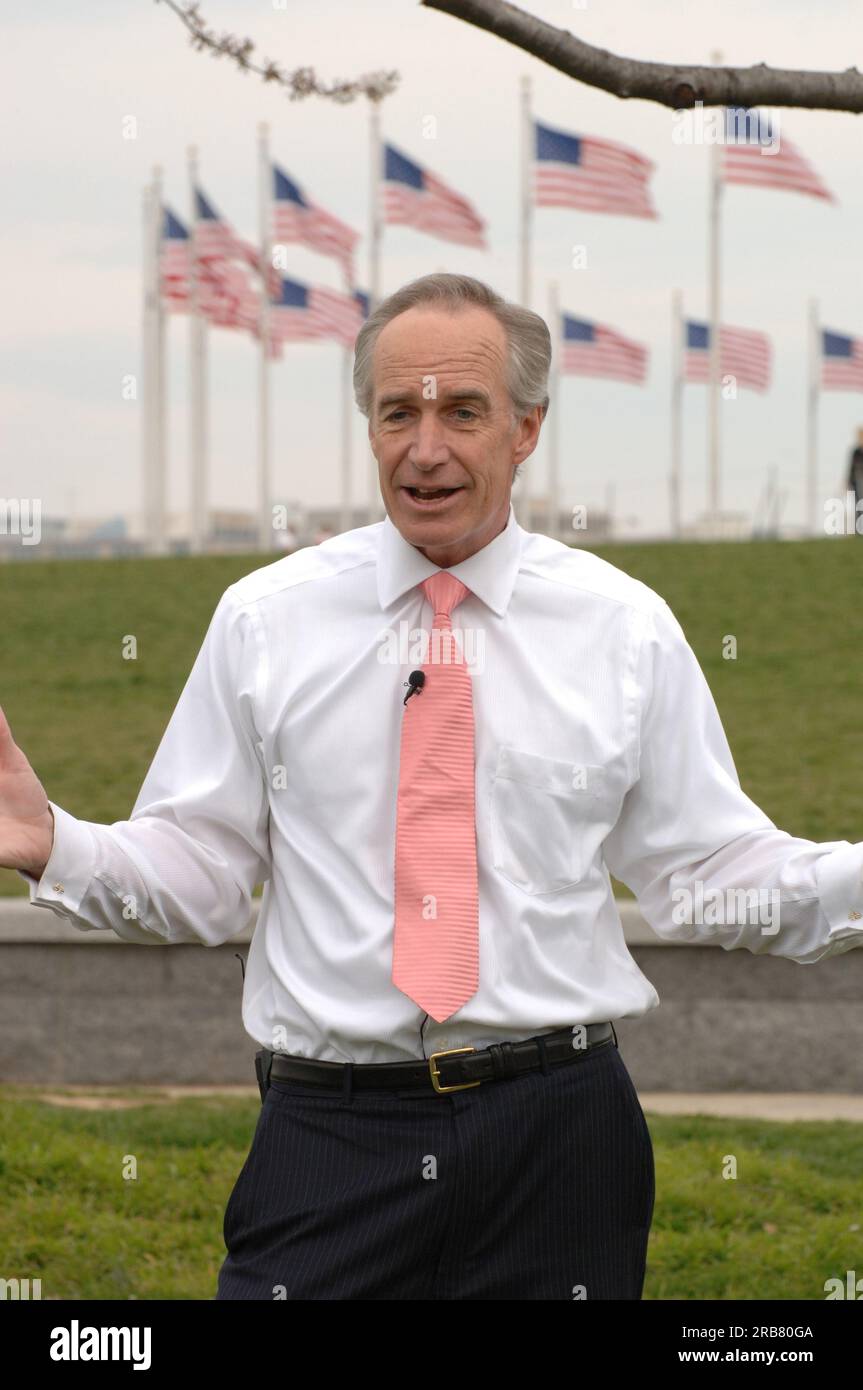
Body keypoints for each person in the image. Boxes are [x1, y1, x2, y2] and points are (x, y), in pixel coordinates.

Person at [3, 273, 863, 1302]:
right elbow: (201, 867)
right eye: (396, 412)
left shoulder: (622, 628)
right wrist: (52, 841)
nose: (425, 448)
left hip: (562, 1139)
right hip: (331, 1140)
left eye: (462, 412)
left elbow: (709, 872)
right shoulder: (263, 621)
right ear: (368, 424)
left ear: (525, 429)